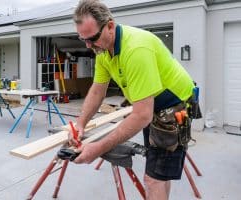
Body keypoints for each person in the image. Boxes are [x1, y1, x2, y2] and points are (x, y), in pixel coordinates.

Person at [70, 0, 196, 199]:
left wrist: (98, 148)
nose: (88, 46)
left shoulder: (136, 49)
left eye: (92, 38)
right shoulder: (102, 50)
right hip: (153, 105)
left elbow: (142, 115)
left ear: (110, 26)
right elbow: (97, 91)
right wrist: (80, 124)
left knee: (153, 178)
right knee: (158, 173)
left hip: (175, 104)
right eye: (83, 39)